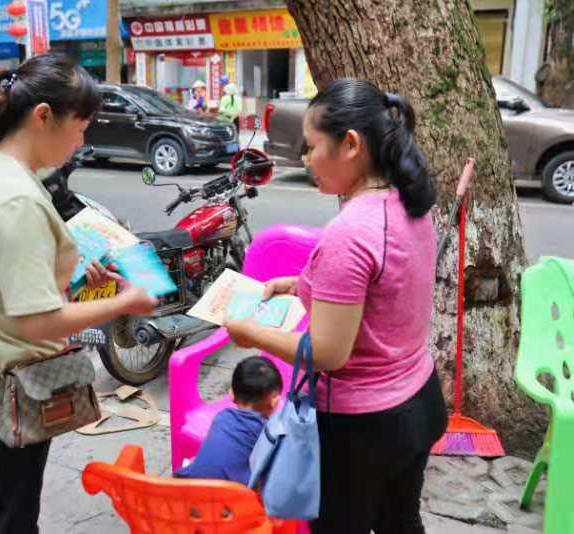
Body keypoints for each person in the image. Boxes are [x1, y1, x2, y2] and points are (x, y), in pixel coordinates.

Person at [224, 78, 448, 533]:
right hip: (419, 400)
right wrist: (299, 284)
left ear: (350, 144)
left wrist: (247, 333)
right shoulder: (410, 203)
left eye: (310, 147)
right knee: (400, 522)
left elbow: (327, 353)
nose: (306, 160)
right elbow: (385, 286)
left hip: (364, 427)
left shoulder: (349, 233)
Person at [0, 53, 158, 534]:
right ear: (43, 116)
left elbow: (4, 275)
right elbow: (36, 322)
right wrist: (127, 302)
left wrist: (78, 275)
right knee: (11, 512)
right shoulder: (17, 198)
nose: (83, 139)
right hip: (6, 379)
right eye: (81, 126)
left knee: (7, 497)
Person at [174, 356, 282, 485]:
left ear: (232, 395)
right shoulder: (268, 432)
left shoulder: (222, 417)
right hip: (231, 498)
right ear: (275, 403)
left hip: (188, 488)